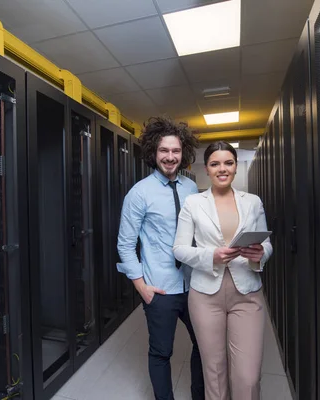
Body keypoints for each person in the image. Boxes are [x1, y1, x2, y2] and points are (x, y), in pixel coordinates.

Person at [173, 141, 273, 400]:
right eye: (215, 163)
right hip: (206, 294)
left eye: (228, 163)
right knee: (214, 371)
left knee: (248, 377)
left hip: (248, 293)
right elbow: (179, 249)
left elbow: (267, 243)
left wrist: (262, 253)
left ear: (235, 167)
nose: (222, 169)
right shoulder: (193, 203)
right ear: (206, 168)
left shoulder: (252, 201)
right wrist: (211, 256)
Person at [117, 116, 205, 400]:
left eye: (176, 151)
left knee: (204, 345)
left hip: (193, 286)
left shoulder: (191, 188)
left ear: (184, 153)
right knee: (161, 352)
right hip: (161, 288)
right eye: (164, 151)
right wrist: (142, 287)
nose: (170, 157)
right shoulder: (139, 193)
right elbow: (125, 244)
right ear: (154, 153)